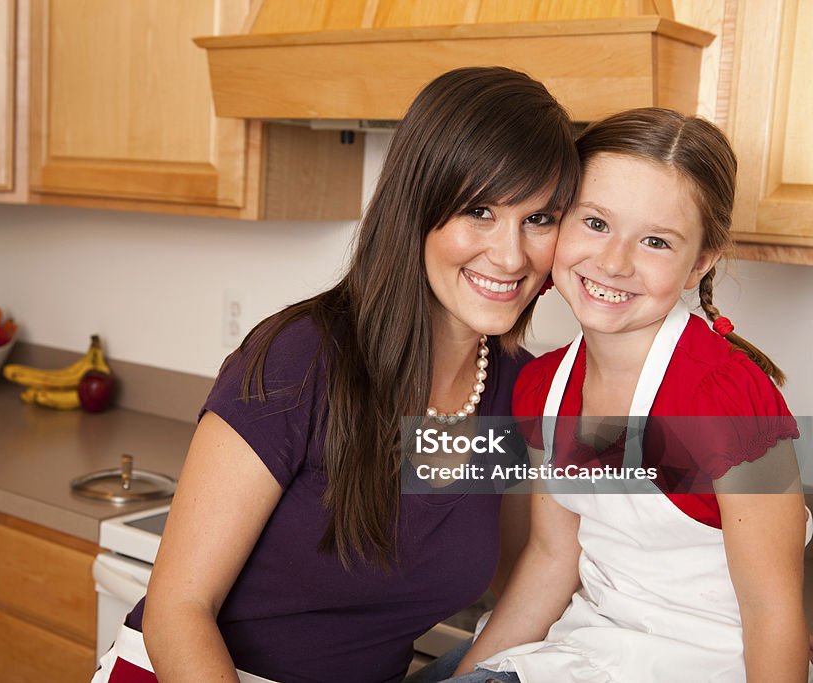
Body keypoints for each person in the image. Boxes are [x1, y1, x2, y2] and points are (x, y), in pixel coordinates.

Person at [91, 66, 579, 683]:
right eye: (479, 210)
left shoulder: (515, 391)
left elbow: (538, 569)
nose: (512, 255)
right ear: (416, 207)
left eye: (539, 219)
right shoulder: (301, 361)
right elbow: (179, 610)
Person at [434, 108, 810, 683]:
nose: (613, 262)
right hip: (591, 645)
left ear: (699, 264)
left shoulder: (725, 400)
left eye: (656, 241)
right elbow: (553, 560)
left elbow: (772, 611)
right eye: (596, 224)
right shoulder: (545, 386)